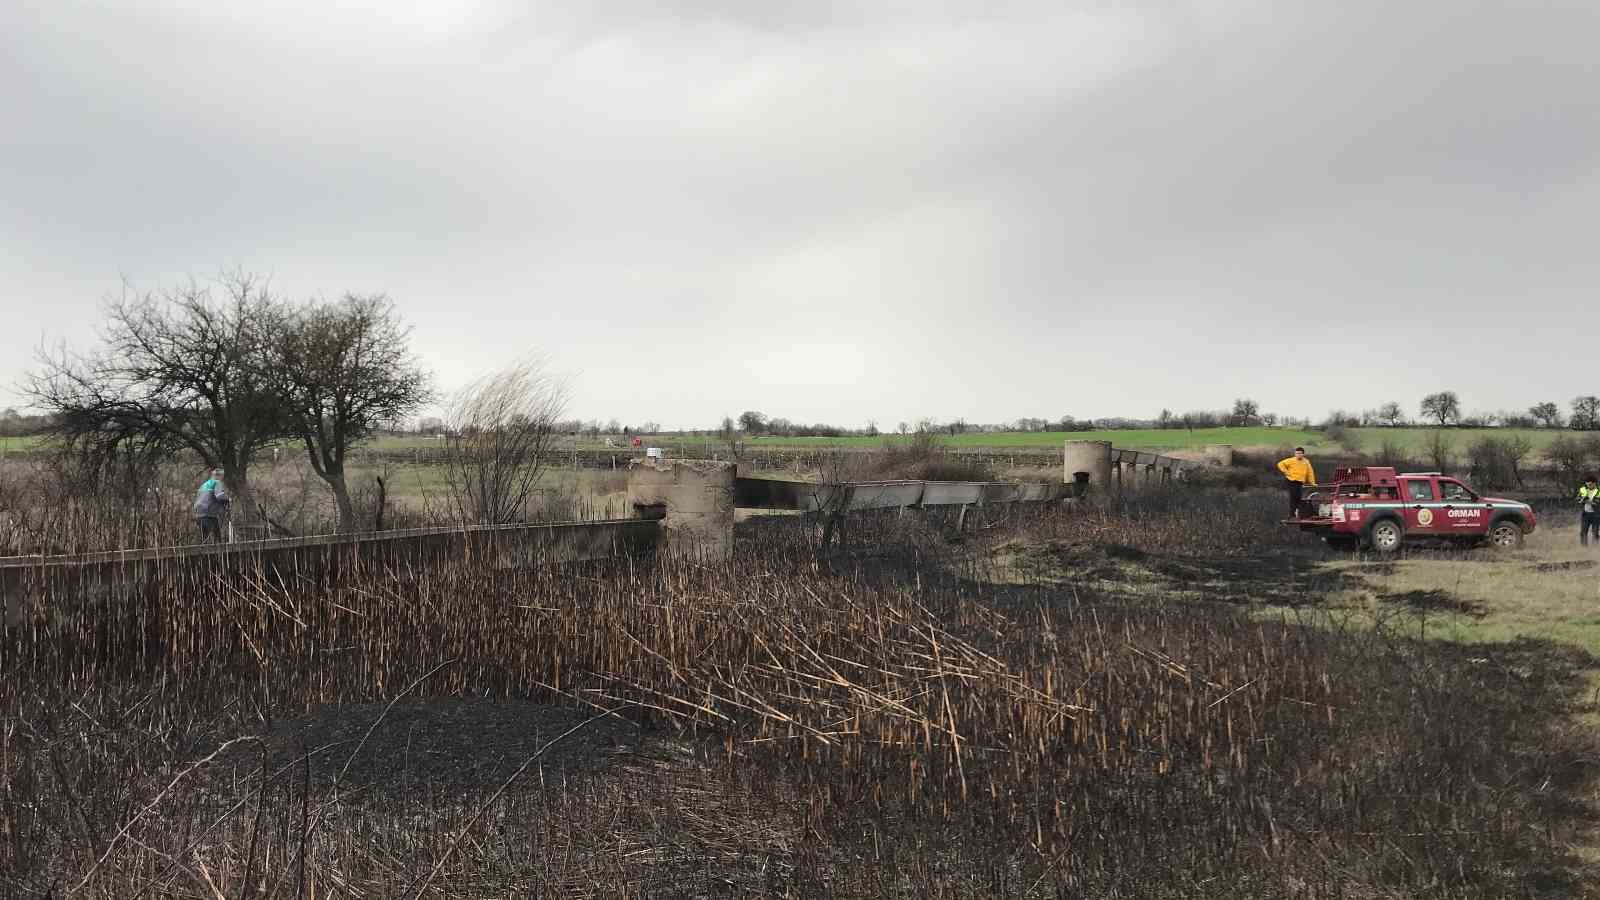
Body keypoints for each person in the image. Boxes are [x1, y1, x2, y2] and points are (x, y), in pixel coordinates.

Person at [193, 467, 230, 544]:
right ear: (220, 476)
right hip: (209, 513)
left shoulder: (204, 484)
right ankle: (219, 554)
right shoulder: (217, 483)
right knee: (216, 538)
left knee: (205, 538)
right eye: (222, 476)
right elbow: (220, 496)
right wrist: (228, 499)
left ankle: (204, 554)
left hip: (198, 513)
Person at [1276, 446, 1316, 515]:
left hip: (1300, 482)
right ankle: (1292, 513)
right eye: (1297, 453)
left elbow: (1310, 473)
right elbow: (1280, 464)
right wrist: (1286, 472)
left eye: (1300, 453)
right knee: (1294, 496)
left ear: (1303, 454)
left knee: (1298, 497)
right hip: (1291, 481)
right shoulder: (1291, 460)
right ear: (1295, 454)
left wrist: (1312, 482)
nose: (1298, 455)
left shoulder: (1306, 462)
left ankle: (1298, 512)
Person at [1580, 475, 1600, 547]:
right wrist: (1583, 500)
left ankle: (1595, 548)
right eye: (1587, 484)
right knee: (1583, 532)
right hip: (1585, 514)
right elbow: (1578, 499)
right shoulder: (1583, 489)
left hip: (1596, 515)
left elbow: (1597, 502)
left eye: (1590, 484)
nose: (1588, 486)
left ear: (1595, 483)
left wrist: (1585, 500)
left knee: (1595, 533)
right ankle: (1584, 548)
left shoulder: (1598, 491)